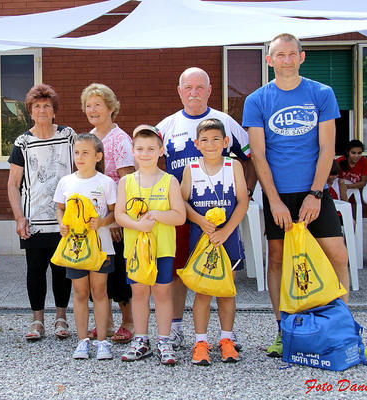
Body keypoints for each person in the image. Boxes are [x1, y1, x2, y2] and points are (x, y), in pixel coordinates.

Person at [243, 33, 367, 363]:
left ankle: (343, 332)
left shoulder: (322, 93)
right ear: (269, 60)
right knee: (277, 259)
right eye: (280, 55)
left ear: (302, 57)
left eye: (292, 54)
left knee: (337, 255)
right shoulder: (257, 100)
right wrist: (274, 200)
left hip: (314, 191)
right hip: (278, 194)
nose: (286, 60)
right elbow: (258, 154)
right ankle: (283, 331)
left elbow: (327, 147)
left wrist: (316, 194)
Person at [156, 67, 255, 350]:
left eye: (200, 87)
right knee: (178, 271)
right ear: (179, 91)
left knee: (221, 275)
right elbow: (148, 159)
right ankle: (176, 328)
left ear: (210, 90)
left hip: (221, 217)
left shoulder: (226, 123)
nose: (194, 92)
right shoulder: (166, 126)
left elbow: (251, 157)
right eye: (188, 87)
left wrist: (247, 192)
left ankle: (225, 335)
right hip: (180, 213)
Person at [7, 84, 75, 341]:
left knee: (61, 269)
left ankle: (61, 318)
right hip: (33, 219)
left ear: (54, 110)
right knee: (35, 270)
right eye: (37, 106)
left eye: (47, 106)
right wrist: (19, 217)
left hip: (63, 219)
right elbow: (13, 184)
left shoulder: (68, 136)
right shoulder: (23, 142)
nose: (42, 110)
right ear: (30, 112)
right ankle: (37, 321)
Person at [115, 125, 186, 365]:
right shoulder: (126, 182)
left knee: (162, 292)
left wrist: (156, 215)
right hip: (135, 251)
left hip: (162, 249)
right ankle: (141, 339)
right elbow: (119, 215)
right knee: (139, 293)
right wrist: (138, 225)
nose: (145, 153)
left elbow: (180, 216)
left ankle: (164, 340)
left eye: (151, 149)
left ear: (161, 150)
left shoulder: (170, 181)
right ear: (133, 151)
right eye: (140, 149)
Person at [180, 118, 248, 365]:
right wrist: (200, 220)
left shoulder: (234, 166)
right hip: (202, 239)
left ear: (226, 141)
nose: (210, 144)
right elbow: (183, 202)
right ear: (196, 143)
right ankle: (200, 341)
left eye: (216, 139)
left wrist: (227, 230)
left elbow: (243, 201)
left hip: (226, 239)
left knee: (226, 291)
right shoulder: (191, 168)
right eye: (205, 140)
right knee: (203, 292)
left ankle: (226, 339)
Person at [53, 133, 117, 360]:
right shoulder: (66, 181)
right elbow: (60, 208)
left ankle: (102, 341)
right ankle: (82, 341)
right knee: (80, 292)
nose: (79, 157)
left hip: (101, 247)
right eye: (77, 152)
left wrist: (102, 222)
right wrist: (61, 223)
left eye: (85, 153)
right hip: (75, 248)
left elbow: (114, 213)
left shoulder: (106, 182)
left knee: (99, 292)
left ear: (98, 156)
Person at [81, 83, 135, 343]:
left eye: (98, 105)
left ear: (111, 108)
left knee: (119, 272)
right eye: (88, 106)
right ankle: (107, 322)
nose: (92, 110)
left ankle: (128, 322)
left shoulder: (120, 139)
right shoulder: (89, 138)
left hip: (115, 218)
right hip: (94, 220)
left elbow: (127, 181)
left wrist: (117, 220)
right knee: (98, 268)